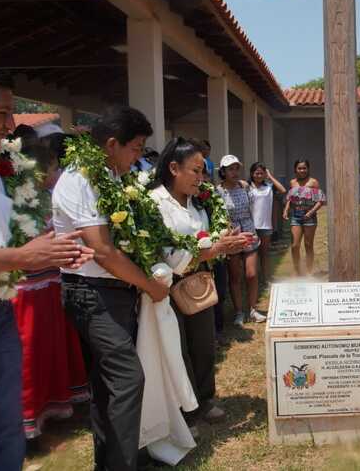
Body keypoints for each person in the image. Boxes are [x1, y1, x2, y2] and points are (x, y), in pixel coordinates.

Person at [0, 57, 92, 471]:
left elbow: (16, 236)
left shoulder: (4, 167)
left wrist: (55, 249)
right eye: (1, 113)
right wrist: (23, 257)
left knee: (5, 428)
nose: (11, 125)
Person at [53, 105, 169, 471]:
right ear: (112, 144)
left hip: (113, 291)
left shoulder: (110, 176)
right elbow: (102, 250)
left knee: (107, 386)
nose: (138, 157)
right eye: (136, 149)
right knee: (128, 378)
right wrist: (149, 285)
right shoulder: (81, 177)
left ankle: (111, 462)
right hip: (91, 291)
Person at [149, 139, 251, 432]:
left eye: (203, 171)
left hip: (200, 283)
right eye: (195, 171)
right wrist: (216, 248)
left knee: (203, 345)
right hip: (168, 287)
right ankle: (185, 411)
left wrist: (227, 244)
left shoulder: (198, 202)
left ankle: (205, 399)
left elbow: (207, 242)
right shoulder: (155, 203)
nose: (201, 177)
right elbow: (169, 255)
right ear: (173, 168)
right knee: (178, 350)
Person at [12, 143, 89, 439]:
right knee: (31, 353)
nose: (58, 173)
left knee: (52, 348)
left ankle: (54, 402)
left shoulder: (48, 198)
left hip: (50, 284)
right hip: (28, 292)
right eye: (55, 168)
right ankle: (27, 416)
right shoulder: (20, 202)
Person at [217, 154, 264, 327]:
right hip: (233, 234)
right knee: (235, 276)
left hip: (249, 230)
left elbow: (252, 208)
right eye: (231, 169)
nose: (235, 172)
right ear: (223, 171)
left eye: (237, 168)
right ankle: (239, 312)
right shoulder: (218, 191)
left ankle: (252, 309)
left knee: (252, 274)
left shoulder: (244, 186)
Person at [283, 159, 326, 276]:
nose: (302, 170)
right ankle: (297, 271)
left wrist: (311, 212)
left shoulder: (313, 182)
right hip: (295, 216)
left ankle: (309, 271)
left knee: (308, 245)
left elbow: (320, 201)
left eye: (304, 168)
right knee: (295, 245)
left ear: (308, 169)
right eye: (299, 168)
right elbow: (290, 198)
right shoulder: (292, 182)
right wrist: (286, 209)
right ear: (295, 170)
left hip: (309, 218)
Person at [249, 162, 286, 283]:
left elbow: (283, 190)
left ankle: (266, 279)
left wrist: (270, 176)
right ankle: (254, 279)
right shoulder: (247, 187)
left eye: (261, 173)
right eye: (256, 173)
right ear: (252, 174)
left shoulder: (269, 187)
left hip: (265, 226)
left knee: (264, 254)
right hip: (250, 226)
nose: (259, 176)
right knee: (252, 255)